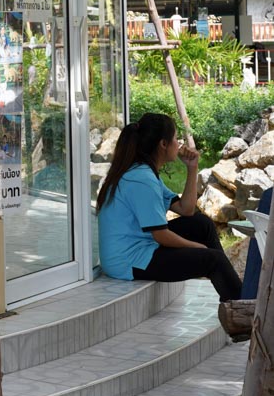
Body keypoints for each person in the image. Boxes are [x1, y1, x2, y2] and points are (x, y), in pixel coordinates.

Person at [96, 112, 249, 341]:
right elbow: (160, 235)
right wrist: (199, 249)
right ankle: (244, 321)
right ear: (163, 144)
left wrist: (192, 168)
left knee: (202, 224)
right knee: (213, 259)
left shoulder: (144, 172)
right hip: (129, 260)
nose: (179, 144)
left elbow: (186, 209)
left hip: (141, 247)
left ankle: (235, 302)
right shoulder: (141, 179)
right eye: (176, 138)